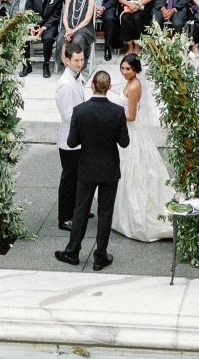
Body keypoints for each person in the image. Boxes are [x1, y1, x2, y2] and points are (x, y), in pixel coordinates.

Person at [56, 70, 130, 271]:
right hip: (109, 169)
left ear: (92, 86)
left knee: (80, 210)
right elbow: (124, 142)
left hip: (86, 167)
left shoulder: (80, 111)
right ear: (109, 86)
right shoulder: (117, 111)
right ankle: (100, 256)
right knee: (105, 213)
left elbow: (72, 142)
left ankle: (72, 251)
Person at [113, 54, 175, 242]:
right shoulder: (132, 83)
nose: (124, 72)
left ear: (136, 69)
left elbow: (131, 116)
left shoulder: (133, 86)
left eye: (128, 69)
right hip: (131, 131)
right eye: (123, 68)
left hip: (132, 132)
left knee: (134, 172)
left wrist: (111, 118)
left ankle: (136, 215)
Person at [54, 45, 86, 230]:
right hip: (69, 140)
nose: (80, 64)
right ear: (67, 60)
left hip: (79, 138)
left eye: (81, 60)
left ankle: (77, 209)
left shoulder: (77, 75)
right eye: (76, 60)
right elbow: (68, 115)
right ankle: (64, 217)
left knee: (79, 176)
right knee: (69, 178)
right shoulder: (65, 84)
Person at [21, 0, 64, 78]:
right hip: (33, 23)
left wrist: (44, 28)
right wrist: (31, 26)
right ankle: (26, 65)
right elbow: (28, 11)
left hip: (49, 25)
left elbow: (56, 16)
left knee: (48, 38)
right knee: (23, 35)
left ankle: (46, 64)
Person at [60, 0, 96, 70]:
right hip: (68, 27)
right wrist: (68, 29)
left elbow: (87, 20)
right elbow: (65, 15)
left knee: (77, 40)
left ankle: (77, 67)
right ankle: (67, 67)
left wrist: (73, 31)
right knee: (62, 40)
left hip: (84, 29)